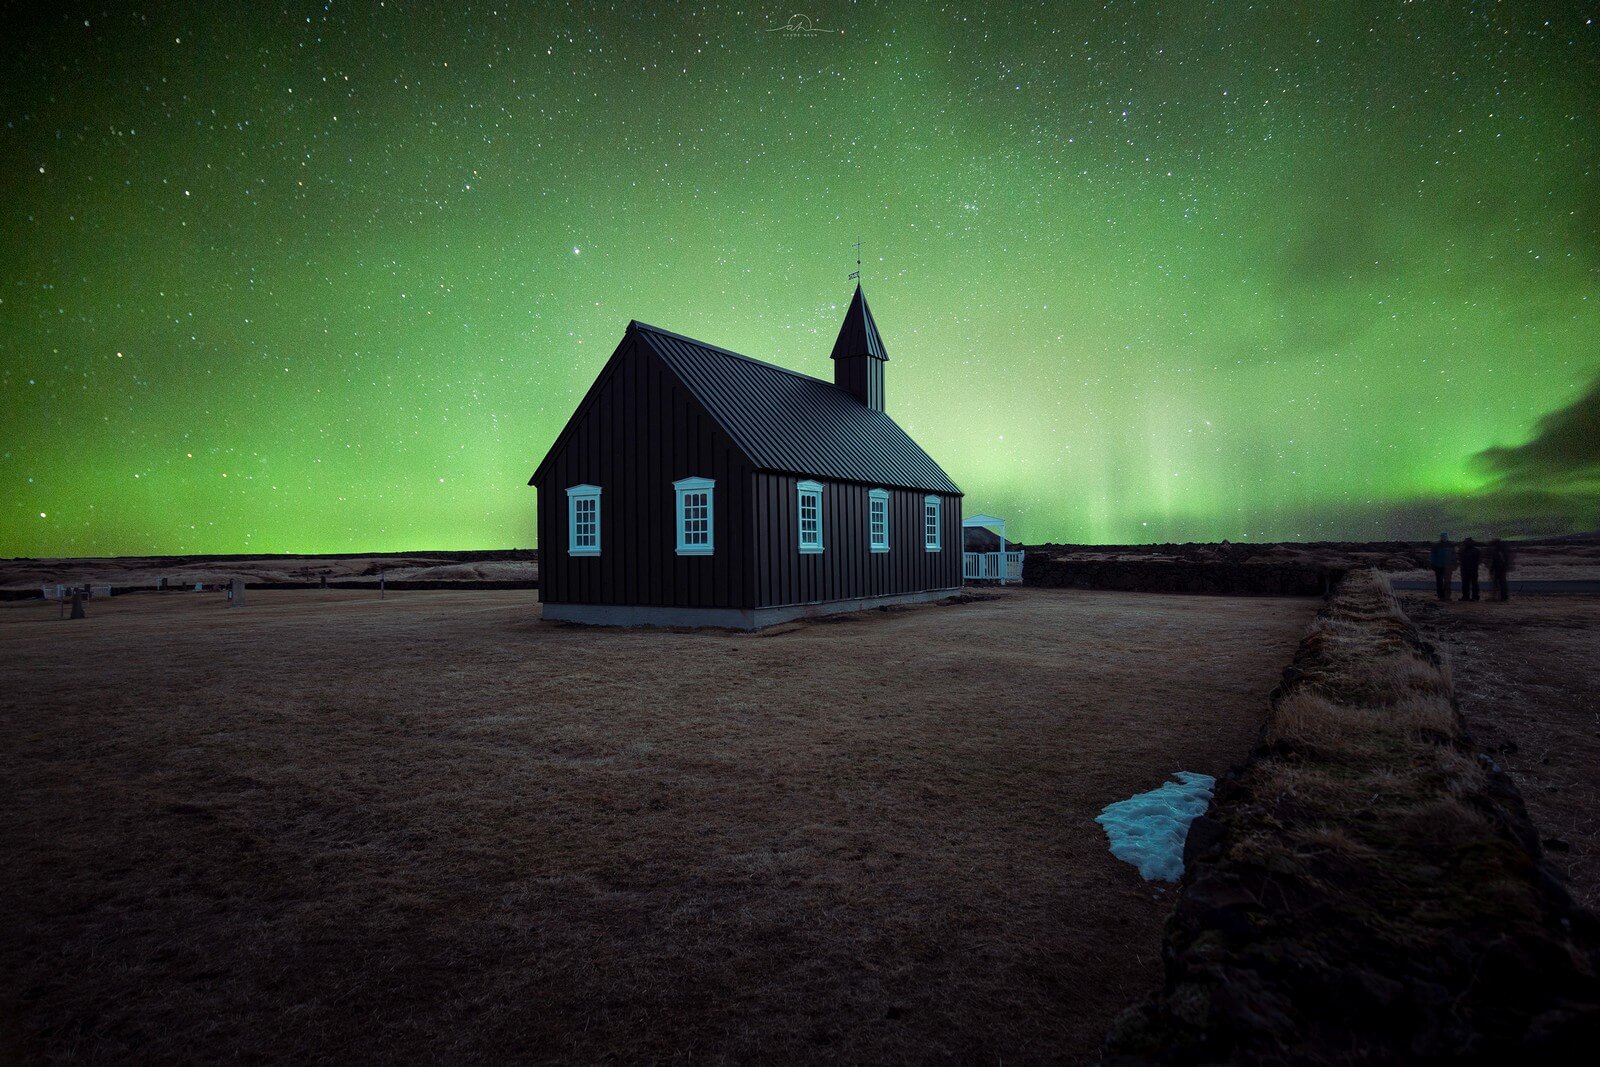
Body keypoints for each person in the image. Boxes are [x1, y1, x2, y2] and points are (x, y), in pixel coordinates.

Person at [1429, 532, 1455, 601]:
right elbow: (1432, 556)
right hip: (1439, 566)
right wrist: (1433, 564)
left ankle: (1447, 596)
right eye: (1443, 537)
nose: (1444, 538)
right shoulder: (1436, 546)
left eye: (1445, 537)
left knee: (1447, 582)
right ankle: (1441, 596)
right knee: (1440, 582)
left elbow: (1453, 556)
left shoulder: (1450, 545)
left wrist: (1453, 564)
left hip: (1447, 566)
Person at [1458, 537, 1482, 602]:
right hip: (1469, 569)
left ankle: (1469, 596)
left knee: (1470, 584)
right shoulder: (1475, 550)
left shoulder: (1463, 550)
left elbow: (1460, 559)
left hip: (1470, 569)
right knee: (1470, 584)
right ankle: (1471, 596)